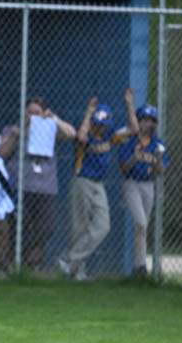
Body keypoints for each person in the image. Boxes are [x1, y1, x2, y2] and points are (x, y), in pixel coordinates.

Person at [59, 89, 137, 280]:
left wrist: (129, 104)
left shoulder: (110, 134)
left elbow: (134, 130)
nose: (101, 128)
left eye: (104, 125)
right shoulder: (86, 131)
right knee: (79, 227)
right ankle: (77, 271)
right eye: (98, 124)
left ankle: (69, 259)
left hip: (98, 184)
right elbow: (81, 138)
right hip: (82, 181)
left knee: (103, 226)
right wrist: (88, 113)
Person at [0, 96, 77, 271]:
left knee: (47, 228)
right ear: (24, 113)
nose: (33, 116)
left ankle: (14, 257)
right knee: (20, 227)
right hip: (21, 187)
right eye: (30, 112)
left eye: (37, 113)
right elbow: (1, 154)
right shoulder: (13, 130)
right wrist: (14, 137)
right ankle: (17, 265)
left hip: (45, 188)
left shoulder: (49, 129)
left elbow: (72, 133)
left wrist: (54, 119)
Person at [117, 102, 167, 276]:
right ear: (138, 121)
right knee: (141, 223)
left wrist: (158, 159)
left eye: (151, 120)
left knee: (142, 227)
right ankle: (141, 265)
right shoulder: (130, 140)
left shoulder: (157, 143)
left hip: (148, 185)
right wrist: (134, 157)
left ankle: (139, 268)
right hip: (131, 183)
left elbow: (160, 172)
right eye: (144, 120)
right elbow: (123, 168)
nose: (148, 124)